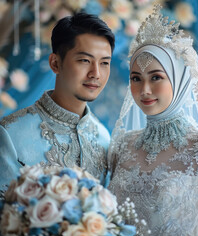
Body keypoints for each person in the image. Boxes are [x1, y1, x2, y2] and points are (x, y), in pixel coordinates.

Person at [108, 5, 198, 236]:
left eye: (156, 77)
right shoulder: (122, 145)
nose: (144, 90)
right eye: (136, 78)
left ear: (179, 80)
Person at [0, 12, 115, 191]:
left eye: (104, 63)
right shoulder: (9, 134)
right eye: (85, 60)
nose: (96, 73)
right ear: (55, 63)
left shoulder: (103, 137)